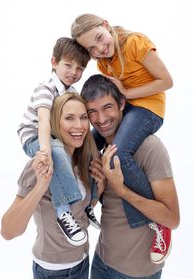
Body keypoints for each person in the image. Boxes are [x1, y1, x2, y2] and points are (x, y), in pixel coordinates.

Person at [80, 74, 180, 279]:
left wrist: (122, 189)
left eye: (107, 107)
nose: (101, 118)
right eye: (93, 112)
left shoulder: (150, 148)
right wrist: (100, 188)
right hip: (104, 258)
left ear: (122, 103)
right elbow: (102, 207)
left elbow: (172, 218)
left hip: (138, 269)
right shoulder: (97, 147)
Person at [1, 92, 104, 279]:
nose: (79, 126)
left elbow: (82, 212)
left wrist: (99, 189)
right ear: (56, 123)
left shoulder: (82, 159)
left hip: (81, 265)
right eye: (69, 118)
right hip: (52, 275)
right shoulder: (41, 165)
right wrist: (41, 186)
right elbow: (8, 230)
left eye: (83, 118)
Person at [71, 14, 173, 263]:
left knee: (119, 152)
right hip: (127, 109)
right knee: (87, 146)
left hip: (149, 109)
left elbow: (166, 81)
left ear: (106, 25)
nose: (99, 49)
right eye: (91, 49)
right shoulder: (103, 62)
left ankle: (157, 221)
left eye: (99, 38)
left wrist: (127, 92)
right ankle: (89, 203)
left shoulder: (135, 43)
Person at [17, 37, 100, 248]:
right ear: (54, 62)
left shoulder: (72, 93)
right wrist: (46, 152)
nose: (73, 72)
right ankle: (64, 212)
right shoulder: (45, 89)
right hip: (34, 136)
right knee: (57, 151)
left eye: (80, 68)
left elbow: (78, 120)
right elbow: (44, 121)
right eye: (68, 65)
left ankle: (87, 205)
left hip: (53, 136)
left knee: (88, 146)